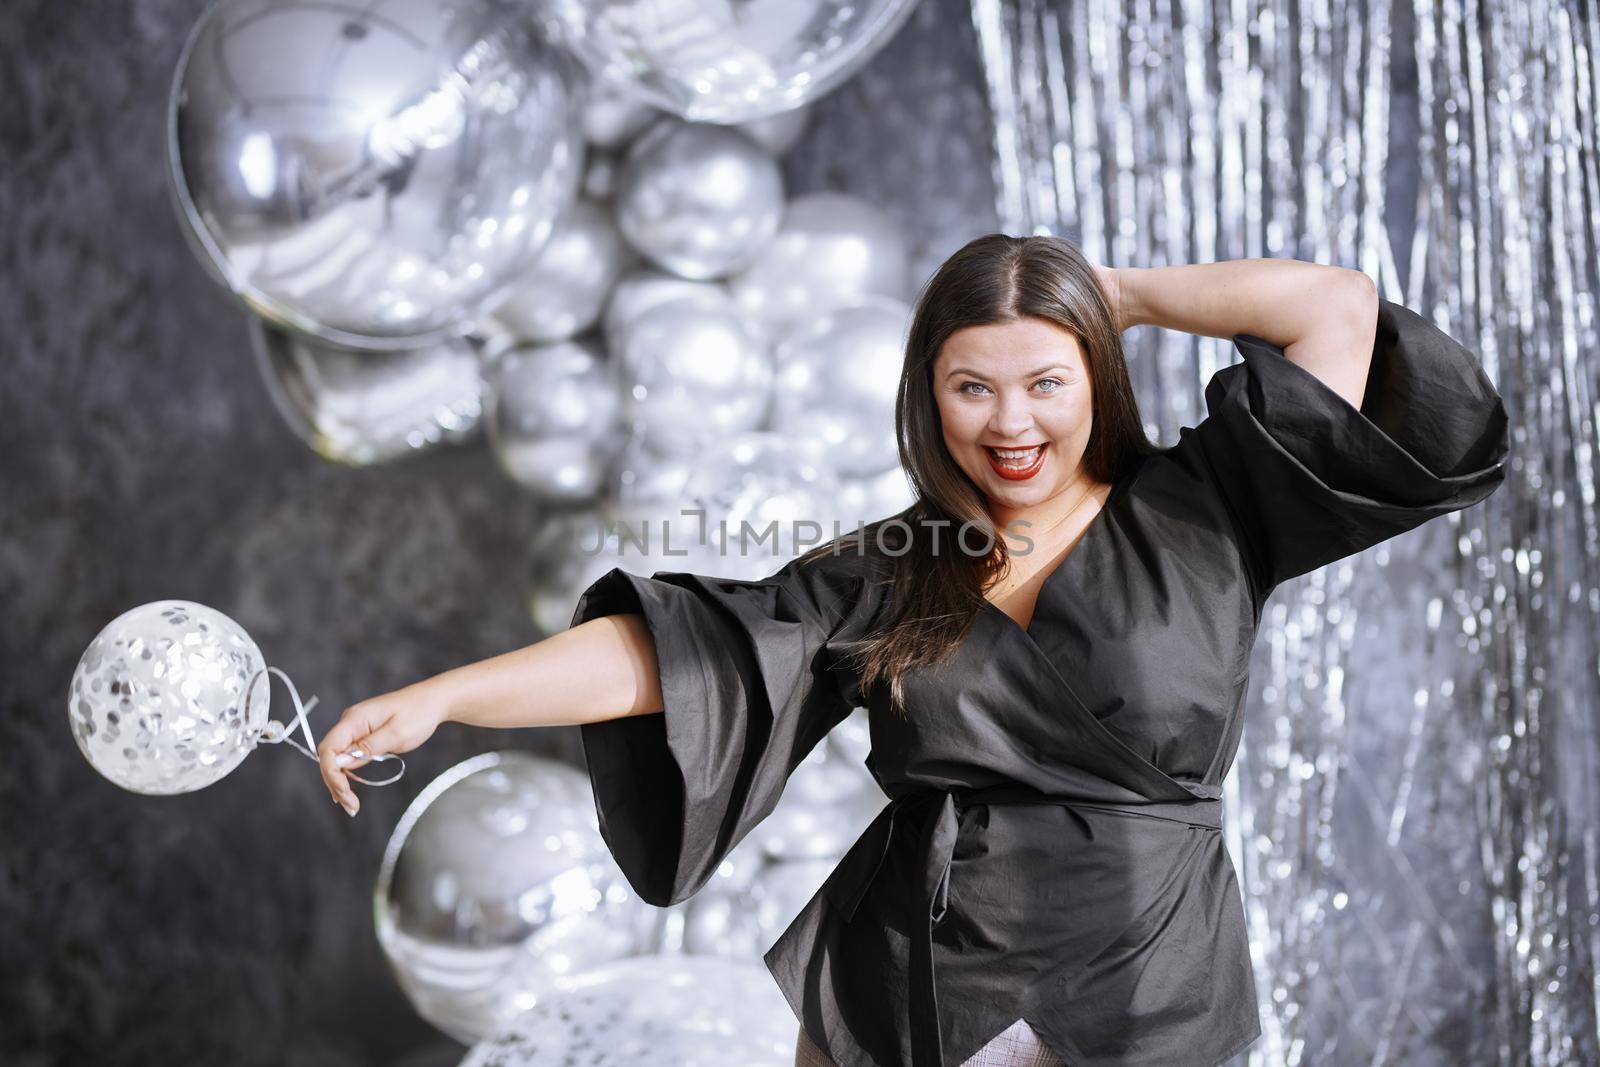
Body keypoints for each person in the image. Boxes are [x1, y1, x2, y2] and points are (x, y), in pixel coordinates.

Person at [316, 236, 1510, 1067]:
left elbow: (1336, 306)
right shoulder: (901, 558)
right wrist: (439, 698)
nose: (1011, 422)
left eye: (1046, 379)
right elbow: (684, 656)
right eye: (970, 386)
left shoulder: (1209, 502)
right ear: (928, 397)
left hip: (1142, 971)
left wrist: (1116, 291)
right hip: (904, 978)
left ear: (1093, 373)